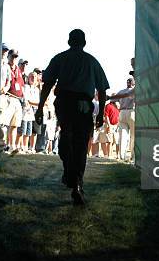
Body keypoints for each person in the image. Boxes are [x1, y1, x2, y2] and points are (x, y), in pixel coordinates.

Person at [35, 29, 109, 206]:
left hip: (65, 103)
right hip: (83, 105)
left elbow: (48, 84)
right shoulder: (92, 61)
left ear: (69, 41)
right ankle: (77, 183)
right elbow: (102, 90)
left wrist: (39, 108)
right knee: (81, 144)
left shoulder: (60, 58)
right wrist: (101, 113)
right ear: (84, 43)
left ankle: (70, 173)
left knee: (67, 138)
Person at [0, 49, 24, 153]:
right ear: (8, 56)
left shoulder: (18, 69)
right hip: (8, 97)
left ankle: (12, 145)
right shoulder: (5, 67)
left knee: (15, 125)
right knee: (4, 123)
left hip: (17, 100)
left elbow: (21, 84)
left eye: (16, 57)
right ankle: (3, 144)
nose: (14, 58)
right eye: (13, 56)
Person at [108, 77, 135, 162]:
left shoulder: (121, 91)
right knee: (133, 136)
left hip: (122, 112)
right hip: (132, 112)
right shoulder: (135, 90)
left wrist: (119, 103)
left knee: (123, 135)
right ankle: (133, 156)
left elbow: (112, 99)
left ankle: (122, 156)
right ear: (133, 83)